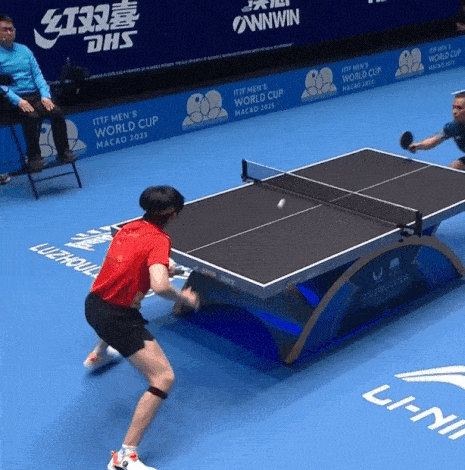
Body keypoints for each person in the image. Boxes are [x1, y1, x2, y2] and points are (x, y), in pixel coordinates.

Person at [84, 186, 199, 470]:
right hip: (117, 319)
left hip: (93, 305)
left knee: (123, 309)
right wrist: (183, 297)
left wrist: (163, 264)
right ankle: (125, 457)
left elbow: (128, 261)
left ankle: (99, 354)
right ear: (173, 214)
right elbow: (159, 286)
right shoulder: (160, 239)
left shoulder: (128, 228)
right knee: (163, 378)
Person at [0, 14, 77, 172]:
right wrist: (18, 101)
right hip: (11, 100)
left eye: (11, 29)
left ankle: (63, 153)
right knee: (31, 116)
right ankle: (34, 158)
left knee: (56, 112)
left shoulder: (24, 50)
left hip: (34, 95)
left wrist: (45, 96)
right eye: (4, 30)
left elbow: (38, 76)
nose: (9, 33)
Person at [409, 92, 465, 170]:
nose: (454, 111)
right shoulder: (452, 128)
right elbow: (434, 140)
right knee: (455, 166)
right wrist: (417, 146)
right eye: (453, 107)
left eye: (459, 108)